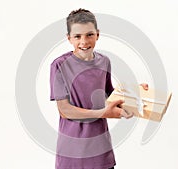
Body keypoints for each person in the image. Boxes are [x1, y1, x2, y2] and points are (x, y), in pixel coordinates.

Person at [50, 8, 148, 169]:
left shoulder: (104, 62)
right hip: (72, 152)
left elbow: (109, 96)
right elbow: (64, 110)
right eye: (77, 36)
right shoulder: (59, 65)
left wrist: (133, 94)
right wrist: (103, 113)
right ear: (69, 38)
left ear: (97, 34)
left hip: (100, 151)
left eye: (89, 34)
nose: (84, 41)